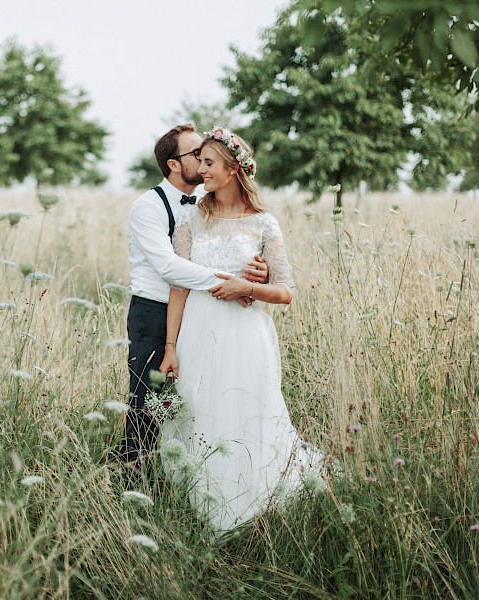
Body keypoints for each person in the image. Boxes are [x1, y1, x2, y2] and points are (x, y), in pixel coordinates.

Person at [158, 127, 317, 532]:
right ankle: (201, 506)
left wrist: (249, 287)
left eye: (209, 163)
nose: (201, 169)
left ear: (232, 171)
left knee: (246, 411)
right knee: (200, 412)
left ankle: (250, 504)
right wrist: (170, 346)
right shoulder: (193, 217)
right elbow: (178, 286)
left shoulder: (264, 224)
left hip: (245, 336)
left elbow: (286, 291)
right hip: (197, 331)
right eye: (200, 162)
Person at [121, 124, 269, 472]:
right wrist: (228, 283)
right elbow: (168, 267)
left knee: (193, 405)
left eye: (208, 157)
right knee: (148, 406)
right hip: (155, 314)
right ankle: (133, 482)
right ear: (174, 164)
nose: (203, 162)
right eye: (196, 156)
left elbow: (235, 247)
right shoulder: (147, 207)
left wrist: (255, 278)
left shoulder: (207, 206)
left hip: (199, 315)